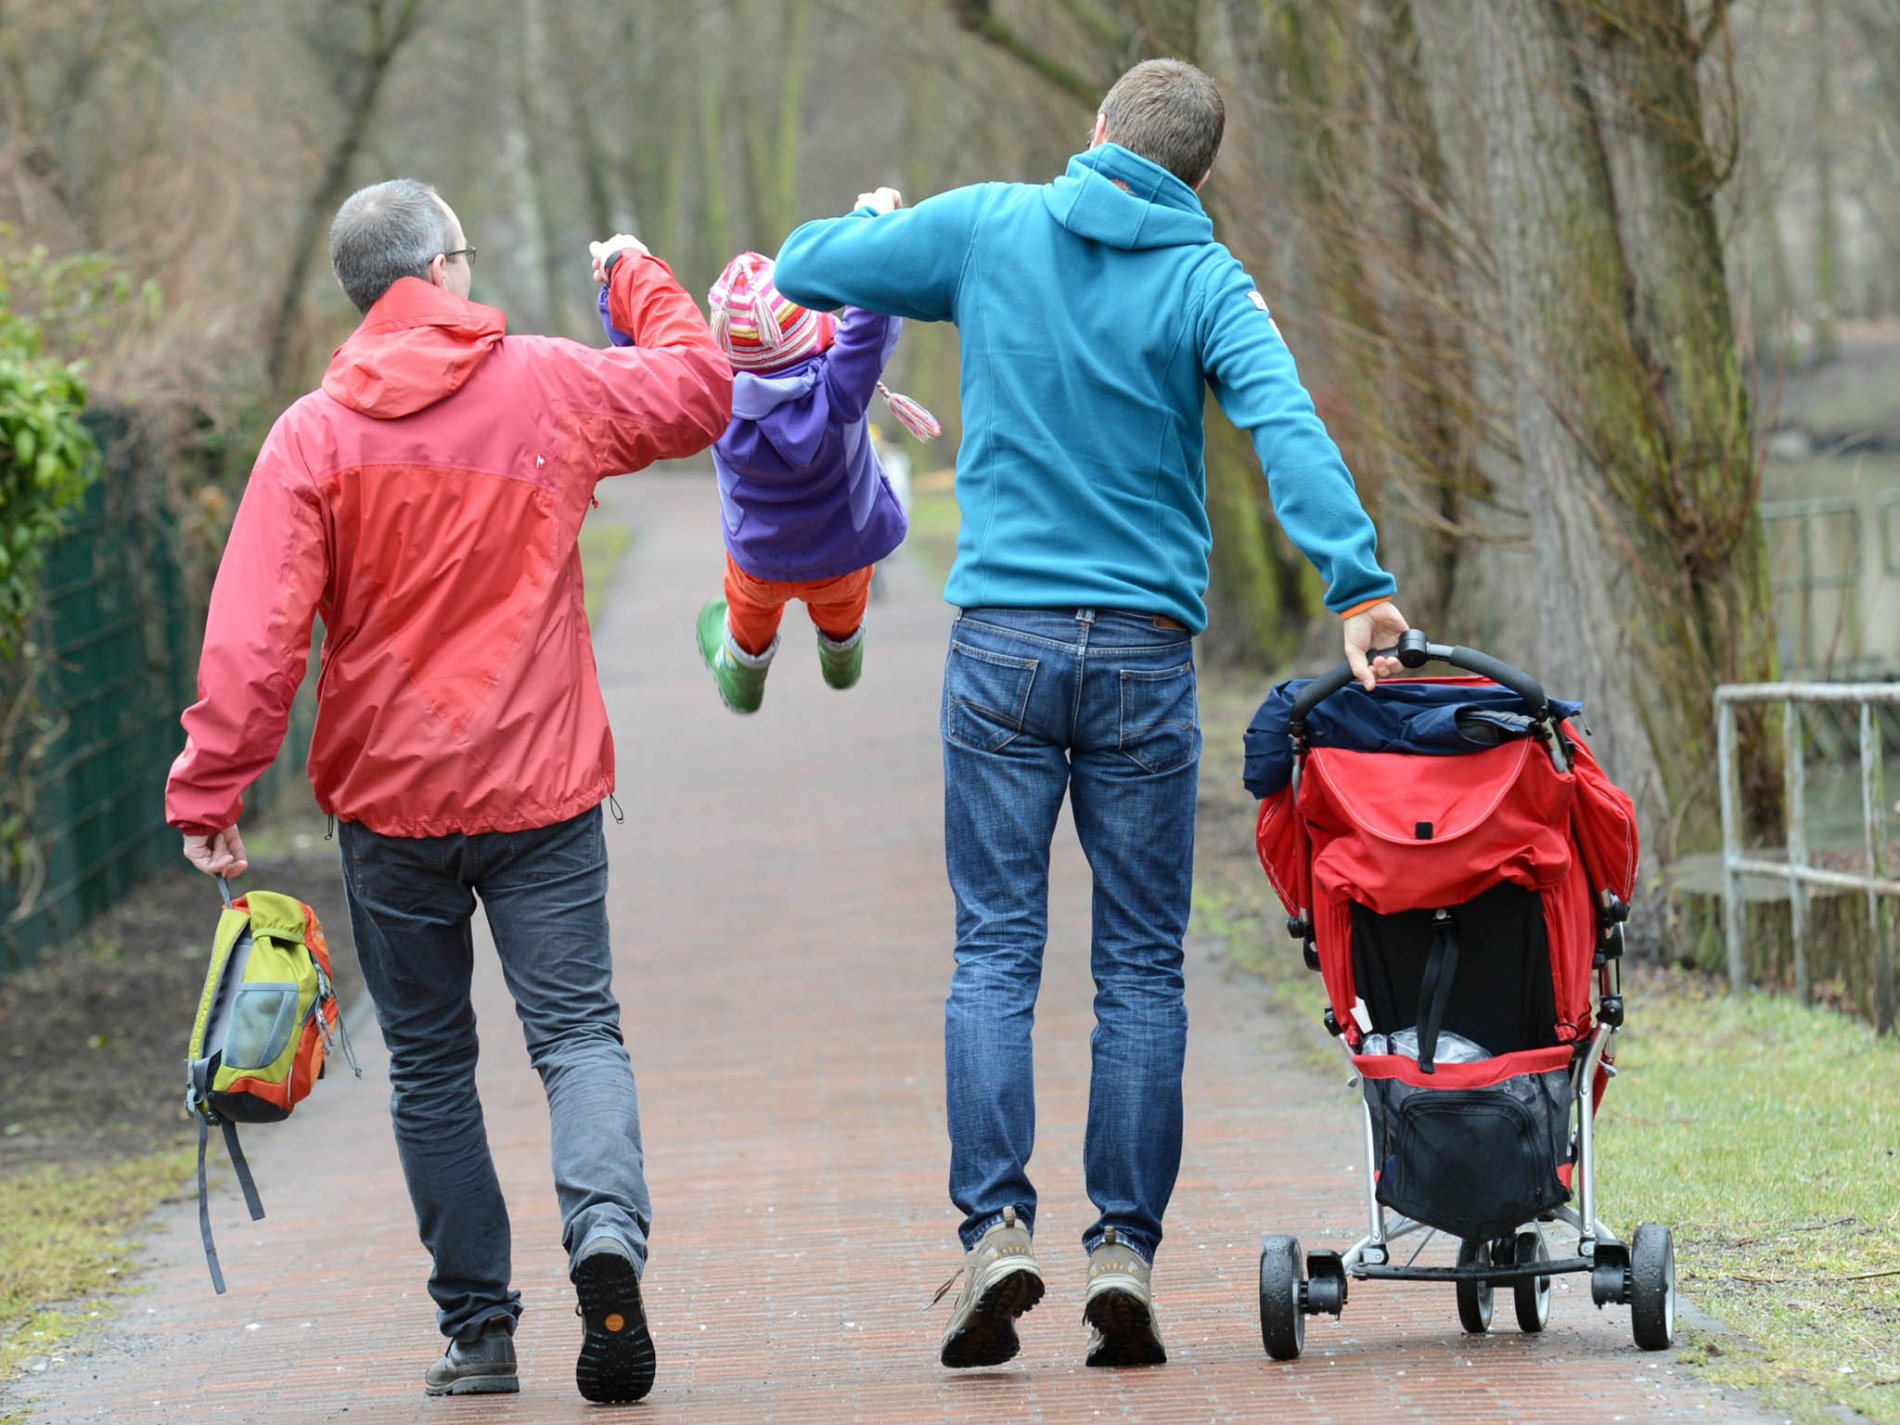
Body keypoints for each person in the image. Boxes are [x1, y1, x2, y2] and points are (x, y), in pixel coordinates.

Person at [773, 59, 1409, 1370]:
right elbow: (1285, 423)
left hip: (1002, 642)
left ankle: (995, 1227)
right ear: (1198, 176)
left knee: (996, 951)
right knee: (1139, 967)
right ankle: (1122, 1247)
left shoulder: (993, 226)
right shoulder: (1206, 281)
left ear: (1101, 134)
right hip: (1140, 659)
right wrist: (1358, 584)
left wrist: (878, 224)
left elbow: (803, 263)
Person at [163, 178, 732, 1403]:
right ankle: (606, 1241)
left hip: (391, 806)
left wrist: (212, 792)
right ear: (443, 268)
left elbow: (257, 639)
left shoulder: (313, 435)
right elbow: (702, 392)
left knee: (430, 1067)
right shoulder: (547, 383)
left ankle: (479, 1334)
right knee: (577, 1034)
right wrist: (633, 274)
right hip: (542, 788)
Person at [601, 251, 937, 713]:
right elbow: (872, 320)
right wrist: (874, 218)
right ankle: (841, 655)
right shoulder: (841, 387)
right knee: (844, 603)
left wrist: (616, 285)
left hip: (757, 564)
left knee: (747, 614)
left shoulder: (712, 400)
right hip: (844, 555)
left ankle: (743, 674)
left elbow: (645, 360)